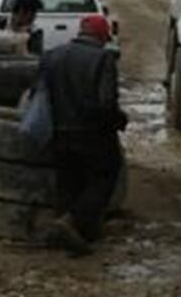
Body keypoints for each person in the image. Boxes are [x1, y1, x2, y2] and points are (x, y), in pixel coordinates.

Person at [41, 14, 127, 255]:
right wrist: (119, 121)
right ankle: (71, 222)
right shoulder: (103, 59)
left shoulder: (51, 56)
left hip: (58, 131)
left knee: (69, 180)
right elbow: (105, 103)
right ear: (102, 36)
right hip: (92, 134)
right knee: (104, 176)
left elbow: (40, 95)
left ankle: (73, 233)